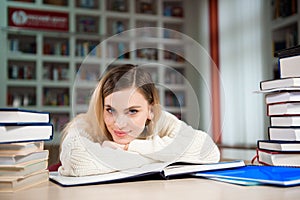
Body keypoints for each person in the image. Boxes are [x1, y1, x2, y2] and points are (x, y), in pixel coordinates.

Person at [59, 64, 220, 177]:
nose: (119, 123)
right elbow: (76, 161)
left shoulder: (160, 120)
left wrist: (129, 147)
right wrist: (158, 160)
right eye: (110, 110)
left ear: (150, 110)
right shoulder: (86, 124)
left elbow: (207, 149)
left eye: (132, 111)